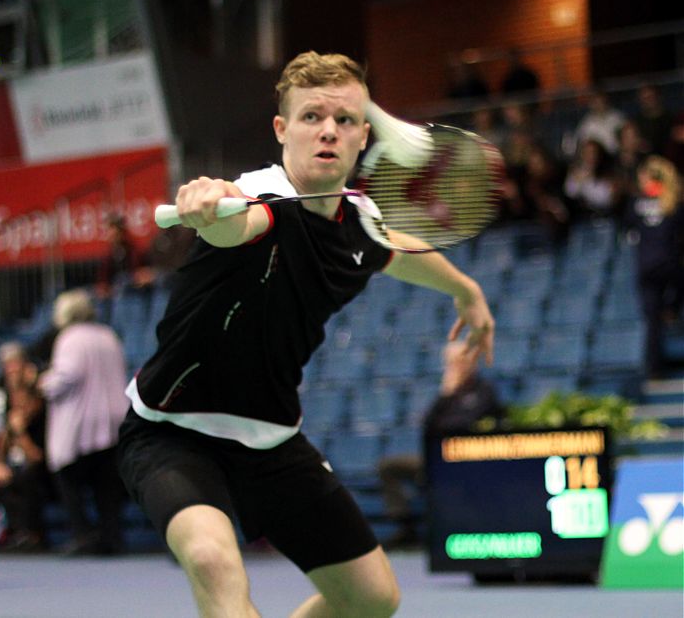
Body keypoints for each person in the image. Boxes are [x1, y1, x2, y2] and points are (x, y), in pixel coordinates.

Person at [116, 50, 495, 617]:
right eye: (311, 116)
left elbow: (396, 251)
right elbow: (238, 223)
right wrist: (207, 208)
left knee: (372, 599)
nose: (328, 131)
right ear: (282, 129)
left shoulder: (359, 219)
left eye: (343, 121)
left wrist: (467, 291)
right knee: (212, 560)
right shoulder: (260, 199)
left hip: (271, 439)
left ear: (363, 136)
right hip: (174, 432)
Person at [378, 340, 503, 550]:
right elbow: (428, 426)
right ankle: (405, 526)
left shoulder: (484, 390)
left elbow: (465, 424)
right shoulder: (447, 393)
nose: (455, 366)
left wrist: (445, 425)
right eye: (450, 362)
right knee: (388, 466)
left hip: (468, 461)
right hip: (436, 458)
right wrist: (445, 395)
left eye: (459, 360)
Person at [38, 289, 129, 555]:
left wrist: (43, 383)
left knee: (68, 478)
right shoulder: (108, 334)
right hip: (113, 418)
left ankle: (83, 535)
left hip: (83, 422)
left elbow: (67, 375)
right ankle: (112, 536)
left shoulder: (70, 338)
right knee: (107, 483)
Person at [623, 155, 684, 377]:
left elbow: (629, 230)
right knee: (663, 312)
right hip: (670, 265)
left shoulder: (636, 202)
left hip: (647, 266)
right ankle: (673, 309)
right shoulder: (674, 201)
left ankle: (654, 368)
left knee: (652, 321)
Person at [0, 381, 50, 552]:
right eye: (15, 401)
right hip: (20, 474)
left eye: (23, 401)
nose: (19, 406)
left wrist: (21, 433)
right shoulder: (13, 421)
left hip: (45, 476)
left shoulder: (43, 422)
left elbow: (36, 457)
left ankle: (33, 536)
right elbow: (1, 452)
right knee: (2, 480)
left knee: (28, 479)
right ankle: (17, 533)